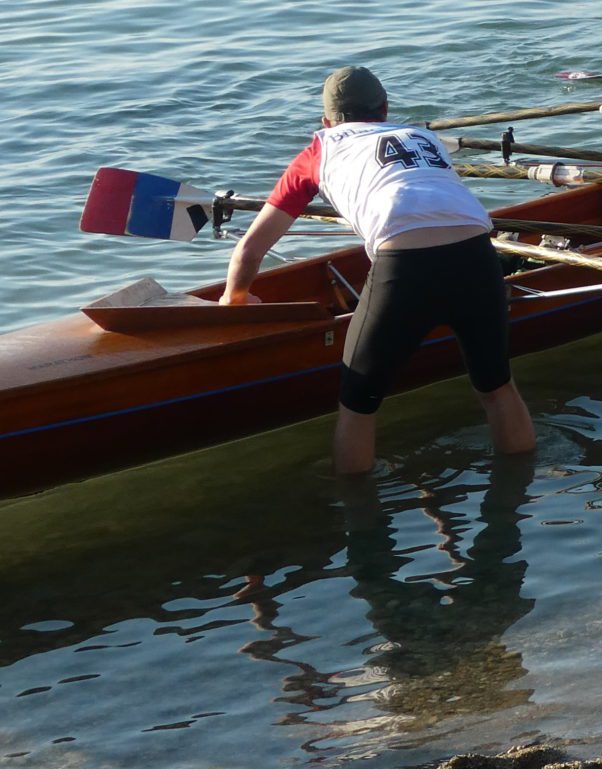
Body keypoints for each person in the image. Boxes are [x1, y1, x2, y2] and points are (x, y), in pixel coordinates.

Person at [221, 66, 532, 476]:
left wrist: (235, 298)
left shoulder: (319, 150)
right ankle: (522, 481)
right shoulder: (422, 137)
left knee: (358, 404)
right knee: (496, 386)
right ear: (385, 110)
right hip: (477, 255)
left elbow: (251, 249)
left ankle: (357, 513)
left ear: (326, 122)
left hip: (405, 267)